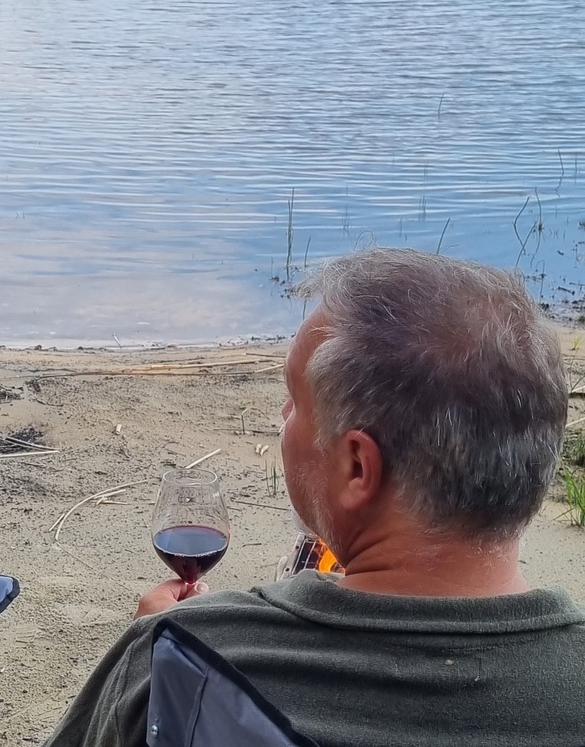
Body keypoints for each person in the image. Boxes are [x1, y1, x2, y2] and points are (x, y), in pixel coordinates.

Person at [43, 248, 585, 747]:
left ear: (356, 467)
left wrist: (151, 640)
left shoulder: (183, 659)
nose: (283, 419)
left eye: (294, 400)